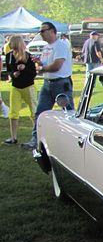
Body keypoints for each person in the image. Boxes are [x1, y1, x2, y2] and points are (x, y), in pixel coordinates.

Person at [21, 22, 74, 150]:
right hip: (48, 83)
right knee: (40, 112)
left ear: (51, 31)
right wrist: (40, 63)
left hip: (61, 83)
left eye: (42, 31)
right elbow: (47, 63)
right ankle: (36, 139)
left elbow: (57, 66)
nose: (41, 34)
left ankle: (72, 139)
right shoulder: (47, 47)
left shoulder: (60, 46)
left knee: (68, 112)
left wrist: (42, 68)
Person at [3, 35, 37, 145]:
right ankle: (13, 137)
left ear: (16, 43)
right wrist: (13, 74)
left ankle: (35, 136)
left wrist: (24, 69)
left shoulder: (28, 56)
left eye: (11, 42)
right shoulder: (9, 56)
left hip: (28, 87)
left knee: (33, 112)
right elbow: (8, 71)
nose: (9, 44)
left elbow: (33, 74)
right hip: (15, 87)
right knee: (13, 112)